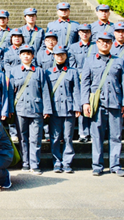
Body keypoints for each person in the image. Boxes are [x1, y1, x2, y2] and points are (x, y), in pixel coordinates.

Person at [81, 31, 124, 177]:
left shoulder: (118, 61)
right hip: (97, 105)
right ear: (97, 43)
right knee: (97, 136)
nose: (105, 44)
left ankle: (115, 165)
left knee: (115, 136)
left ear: (112, 43)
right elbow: (85, 83)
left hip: (115, 103)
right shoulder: (89, 61)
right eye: (102, 41)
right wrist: (85, 102)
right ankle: (97, 166)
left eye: (108, 42)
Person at [10, 44, 52, 174]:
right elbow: (10, 92)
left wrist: (47, 109)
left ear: (33, 56)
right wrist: (11, 109)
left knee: (35, 138)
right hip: (20, 109)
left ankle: (35, 164)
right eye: (23, 54)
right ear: (20, 56)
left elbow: (45, 90)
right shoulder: (14, 71)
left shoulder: (39, 71)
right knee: (22, 138)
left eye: (28, 54)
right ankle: (25, 163)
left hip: (36, 109)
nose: (26, 56)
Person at [46, 44, 81, 174]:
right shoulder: (48, 72)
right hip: (54, 109)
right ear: (54, 56)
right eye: (57, 55)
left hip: (69, 109)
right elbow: (46, 92)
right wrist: (47, 109)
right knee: (55, 137)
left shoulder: (73, 71)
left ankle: (67, 163)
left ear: (66, 56)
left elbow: (76, 90)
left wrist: (77, 107)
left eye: (62, 54)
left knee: (68, 137)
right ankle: (56, 162)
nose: (60, 57)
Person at [69, 23, 95, 143]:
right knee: (81, 104)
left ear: (90, 33)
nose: (85, 34)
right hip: (79, 80)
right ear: (79, 33)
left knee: (93, 104)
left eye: (87, 32)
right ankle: (83, 133)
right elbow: (72, 65)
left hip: (94, 80)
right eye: (82, 32)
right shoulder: (73, 47)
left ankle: (93, 132)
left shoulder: (95, 46)